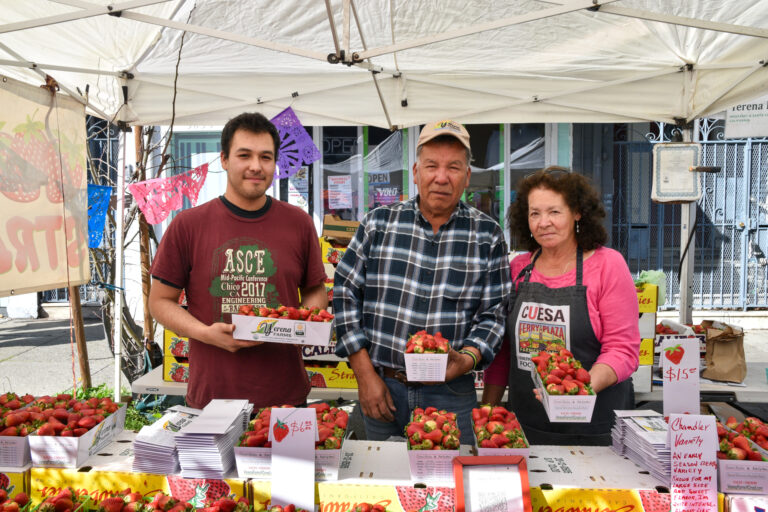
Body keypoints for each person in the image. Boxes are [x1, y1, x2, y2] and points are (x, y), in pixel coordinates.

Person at [333, 120, 511, 444]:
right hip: (382, 385)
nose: (441, 177)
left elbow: (494, 314)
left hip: (451, 392)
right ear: (415, 172)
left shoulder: (488, 235)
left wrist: (466, 359)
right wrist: (364, 375)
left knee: (451, 488)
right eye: (432, 166)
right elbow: (344, 292)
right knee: (379, 486)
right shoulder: (378, 224)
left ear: (467, 176)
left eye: (453, 167)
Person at [149, 112, 328, 409]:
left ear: (275, 163)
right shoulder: (188, 225)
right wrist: (204, 334)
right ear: (224, 159)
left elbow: (314, 289)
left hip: (284, 399)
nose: (256, 166)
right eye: (244, 155)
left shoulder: (299, 223)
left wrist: (300, 325)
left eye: (266, 157)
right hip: (212, 398)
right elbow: (159, 302)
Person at [482, 167, 640, 445]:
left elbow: (623, 350)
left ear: (577, 212)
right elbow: (503, 351)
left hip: (596, 428)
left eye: (554, 212)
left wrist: (578, 389)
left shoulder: (608, 265)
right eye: (535, 213)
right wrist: (488, 411)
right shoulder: (518, 268)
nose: (544, 223)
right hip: (529, 426)